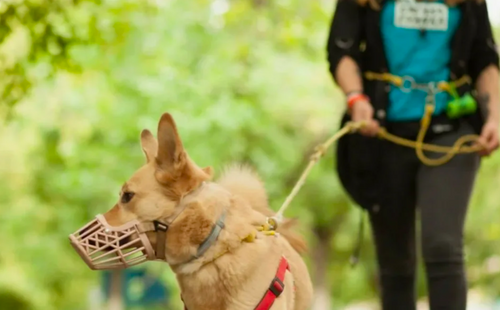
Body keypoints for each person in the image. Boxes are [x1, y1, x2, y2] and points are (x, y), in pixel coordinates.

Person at [326, 0, 500, 309]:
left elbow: (485, 58)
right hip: (382, 132)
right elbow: (342, 50)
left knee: (443, 245)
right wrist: (356, 99)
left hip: (451, 129)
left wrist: (495, 116)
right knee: (395, 261)